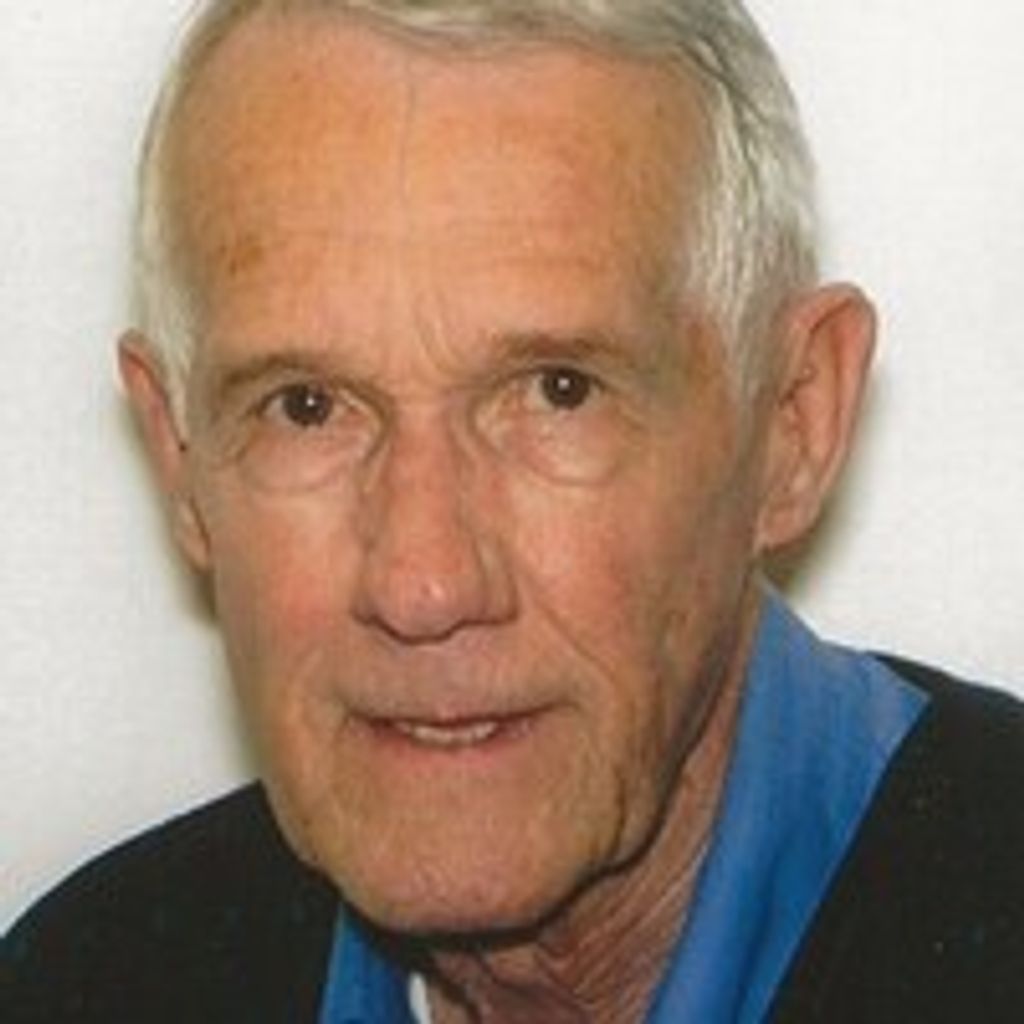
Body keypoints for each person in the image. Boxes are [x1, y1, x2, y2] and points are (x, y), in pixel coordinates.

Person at [4, 1, 1021, 1020]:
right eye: (306, 407)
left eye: (556, 391)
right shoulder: (81, 984)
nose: (423, 584)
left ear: (793, 421)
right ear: (179, 460)